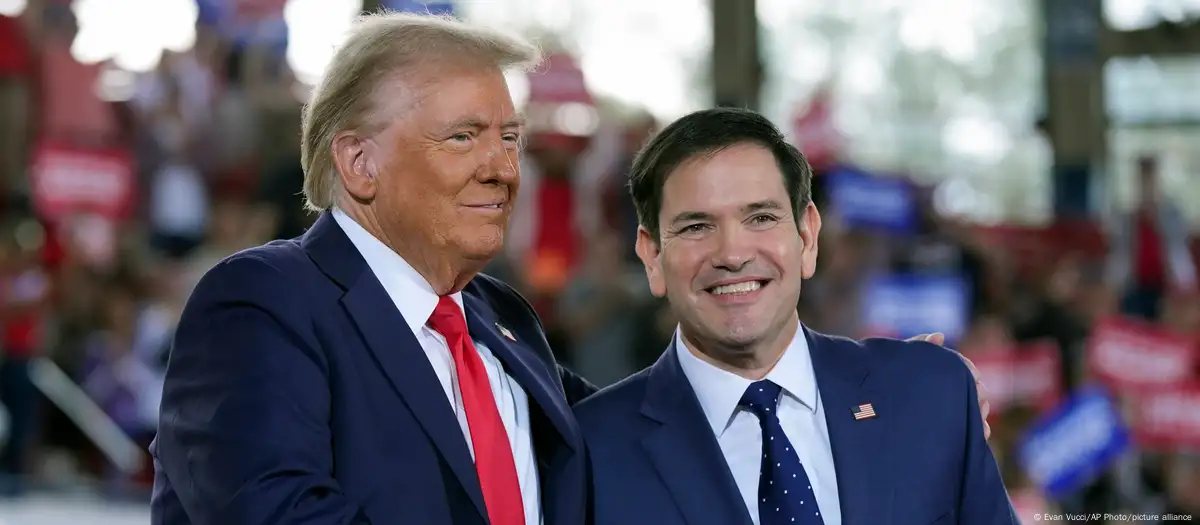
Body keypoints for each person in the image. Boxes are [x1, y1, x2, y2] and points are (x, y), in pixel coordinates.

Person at [151, 13, 989, 525]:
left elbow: (667, 423)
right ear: (360, 162)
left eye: (509, 138)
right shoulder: (263, 303)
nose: (502, 167)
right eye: (465, 136)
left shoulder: (501, 322)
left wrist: (886, 393)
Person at [575, 108, 1015, 525]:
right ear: (652, 256)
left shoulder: (930, 392)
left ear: (807, 237)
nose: (733, 254)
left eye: (761, 217)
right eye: (696, 227)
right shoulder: (589, 450)